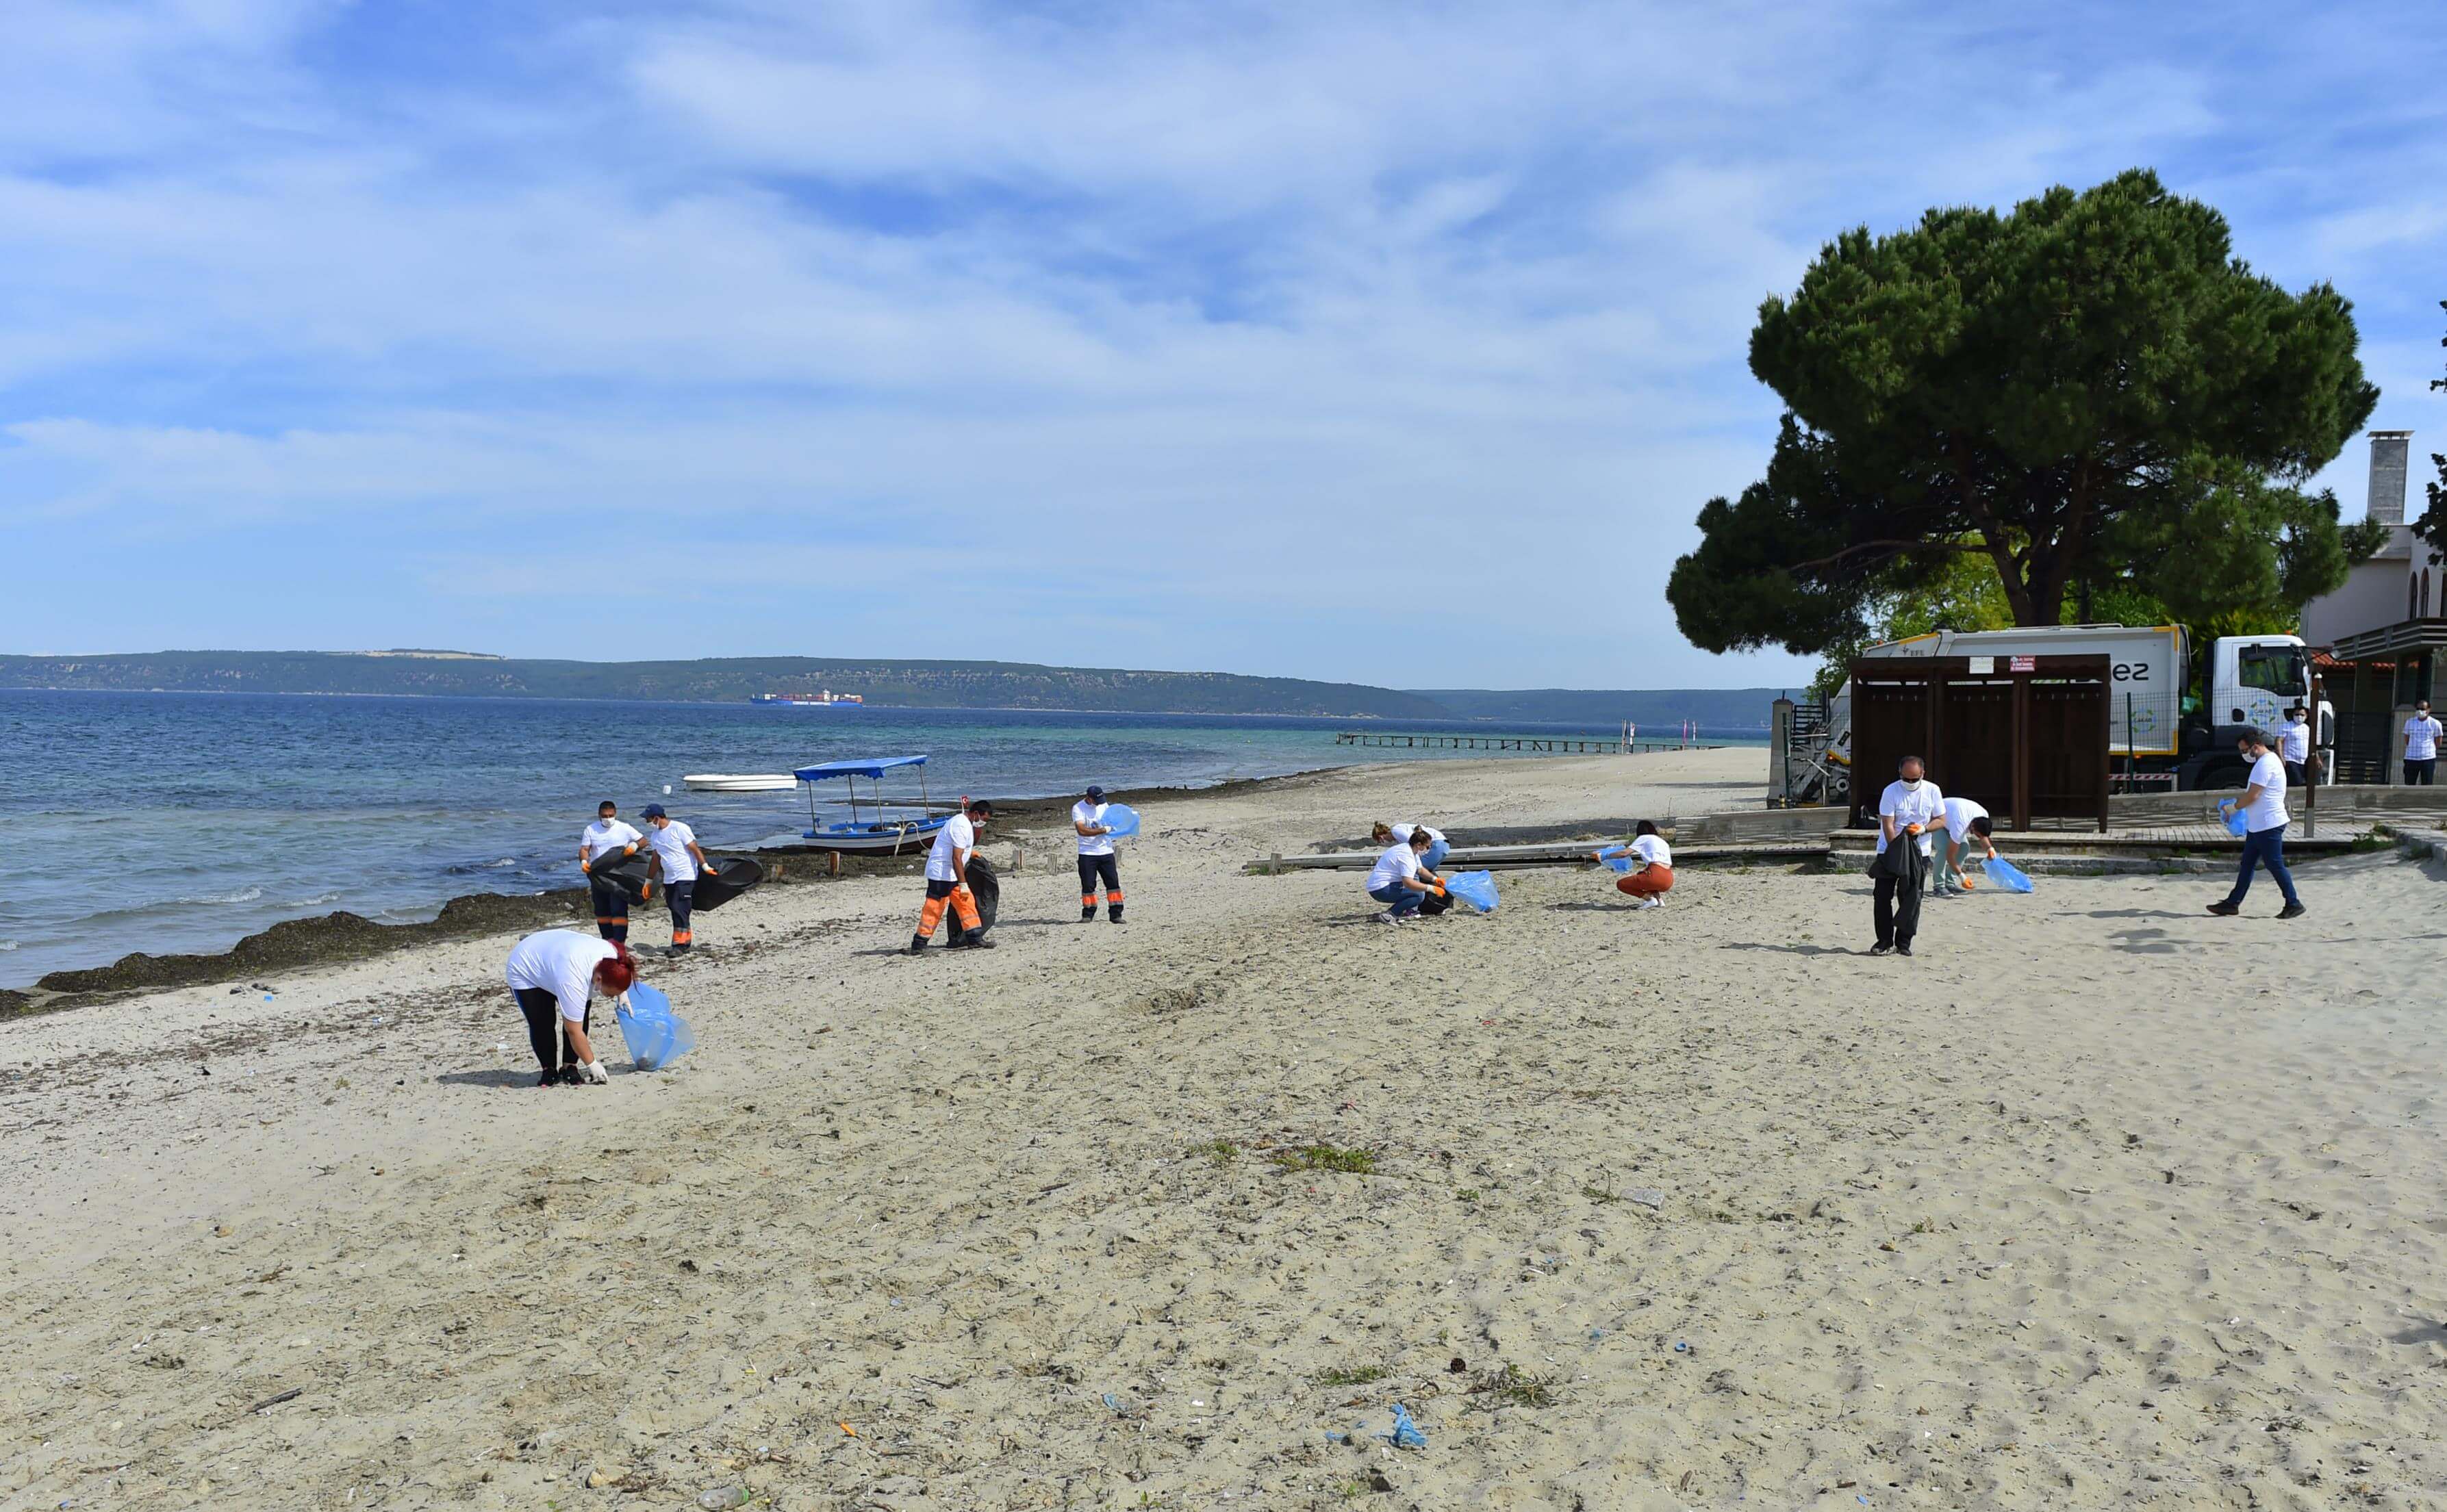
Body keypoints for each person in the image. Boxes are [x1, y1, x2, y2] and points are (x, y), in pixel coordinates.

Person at [503, 929, 634, 1087]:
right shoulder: (573, 980)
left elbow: (617, 974)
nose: (611, 997)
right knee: (542, 1021)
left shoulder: (613, 957)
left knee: (581, 1015)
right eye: (610, 994)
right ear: (599, 979)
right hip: (526, 966)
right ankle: (548, 1069)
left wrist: (622, 993)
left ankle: (569, 1067)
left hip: (558, 957)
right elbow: (573, 1030)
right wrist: (593, 1064)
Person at [2210, 730, 2304, 919]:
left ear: (2255, 746)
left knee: (2274, 864)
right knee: (2248, 864)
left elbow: (2253, 795)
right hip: (2259, 824)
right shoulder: (2269, 761)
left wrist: (2233, 808)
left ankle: (2293, 903)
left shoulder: (2265, 764)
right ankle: (2232, 903)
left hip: (2268, 823)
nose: (2244, 754)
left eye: (2245, 750)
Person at [1870, 755, 1942, 957]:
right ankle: (1884, 940)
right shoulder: (1891, 791)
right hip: (1890, 849)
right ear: (1899, 774)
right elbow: (1888, 824)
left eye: (1914, 779)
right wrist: (1896, 850)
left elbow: (1941, 820)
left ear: (1923, 774)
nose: (1910, 783)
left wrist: (1924, 829)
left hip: (1920, 852)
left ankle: (1904, 942)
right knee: (1882, 896)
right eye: (1906, 779)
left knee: (1911, 898)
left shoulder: (1932, 790)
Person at [910, 799, 996, 953]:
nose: (984, 823)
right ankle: (919, 944)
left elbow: (959, 849)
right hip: (941, 873)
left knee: (966, 902)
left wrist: (971, 854)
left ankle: (975, 938)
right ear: (976, 814)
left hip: (952, 874)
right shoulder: (961, 825)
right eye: (984, 819)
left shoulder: (966, 824)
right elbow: (956, 858)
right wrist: (963, 884)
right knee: (935, 908)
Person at [639, 804, 712, 954]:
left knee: (680, 908)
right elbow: (656, 859)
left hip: (685, 875)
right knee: (674, 908)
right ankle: (684, 942)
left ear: (656, 818)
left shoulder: (679, 828)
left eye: (648, 819)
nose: (647, 822)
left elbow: (694, 848)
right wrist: (648, 881)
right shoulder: (655, 836)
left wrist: (705, 867)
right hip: (669, 878)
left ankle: (679, 946)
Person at [579, 800, 644, 944]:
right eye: (605, 816)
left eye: (610, 815)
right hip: (599, 875)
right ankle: (607, 941)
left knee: (618, 909)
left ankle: (619, 943)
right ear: (599, 815)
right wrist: (584, 862)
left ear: (615, 814)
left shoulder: (624, 828)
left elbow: (643, 841)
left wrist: (634, 846)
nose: (608, 819)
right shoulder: (591, 829)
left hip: (619, 875)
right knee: (602, 910)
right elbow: (584, 849)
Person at [1365, 825, 1441, 923]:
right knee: (1419, 895)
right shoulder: (1407, 856)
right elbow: (1408, 883)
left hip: (1379, 886)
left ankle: (1392, 914)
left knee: (1417, 891)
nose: (1428, 849)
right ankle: (1390, 915)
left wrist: (1435, 879)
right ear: (1419, 845)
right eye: (1427, 847)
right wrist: (1432, 889)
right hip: (1380, 889)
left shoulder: (1410, 849)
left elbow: (1420, 870)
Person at [1073, 785, 1124, 923]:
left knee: (1113, 883)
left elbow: (1112, 822)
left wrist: (1113, 827)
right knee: (1088, 885)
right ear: (1089, 798)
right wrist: (1102, 830)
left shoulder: (1104, 805)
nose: (1099, 803)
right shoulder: (1078, 808)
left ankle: (1116, 914)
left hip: (1106, 851)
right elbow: (1082, 830)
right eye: (1097, 800)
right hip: (1087, 852)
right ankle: (1088, 914)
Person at [1929, 795, 1996, 898]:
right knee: (1944, 849)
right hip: (1936, 818)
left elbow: (1982, 837)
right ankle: (1938, 886)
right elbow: (1950, 856)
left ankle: (1950, 883)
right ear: (1972, 827)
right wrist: (1962, 876)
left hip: (1952, 818)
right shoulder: (1960, 825)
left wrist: (1990, 849)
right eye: (1976, 835)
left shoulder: (1984, 816)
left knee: (1964, 848)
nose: (1977, 837)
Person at [1601, 820, 1673, 910]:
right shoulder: (1663, 842)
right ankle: (1660, 901)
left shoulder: (1644, 838)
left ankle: (1650, 899)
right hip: (1668, 878)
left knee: (1621, 884)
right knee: (1644, 876)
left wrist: (1606, 856)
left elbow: (1624, 853)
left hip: (1656, 874)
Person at [1373, 821, 1449, 873]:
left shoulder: (1396, 831)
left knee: (1417, 870)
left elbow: (1414, 842)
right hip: (1442, 845)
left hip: (1437, 844)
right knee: (1425, 872)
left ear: (1381, 837)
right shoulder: (1398, 834)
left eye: (1380, 841)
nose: (1382, 843)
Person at [2402, 700, 2441, 785]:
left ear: (2429, 710)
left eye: (2423, 709)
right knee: (2409, 784)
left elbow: (2438, 742)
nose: (2420, 711)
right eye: (2418, 709)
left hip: (2428, 758)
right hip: (2411, 758)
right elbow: (2407, 739)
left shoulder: (2435, 723)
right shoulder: (2410, 722)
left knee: (2427, 784)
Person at [2277, 706, 2312, 789]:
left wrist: (2317, 758)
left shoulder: (2307, 728)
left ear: (2306, 716)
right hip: (2290, 760)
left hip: (2304, 761)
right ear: (2293, 715)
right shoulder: (2286, 726)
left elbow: (2311, 743)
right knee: (2296, 781)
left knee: (2307, 782)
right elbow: (2279, 741)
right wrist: (2281, 757)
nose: (2299, 717)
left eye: (2302, 715)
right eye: (2297, 714)